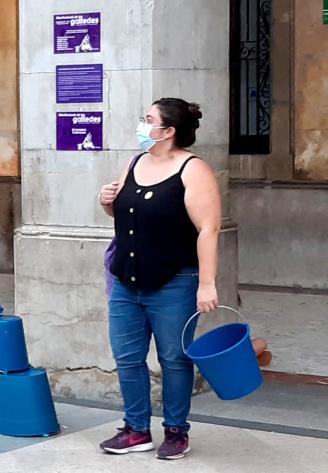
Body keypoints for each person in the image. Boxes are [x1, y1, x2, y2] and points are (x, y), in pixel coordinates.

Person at [97, 98, 221, 460]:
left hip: (175, 282)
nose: (141, 124)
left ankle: (176, 431)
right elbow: (123, 213)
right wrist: (106, 201)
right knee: (127, 358)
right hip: (126, 281)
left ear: (168, 131)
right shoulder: (136, 163)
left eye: (147, 119)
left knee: (174, 358)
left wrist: (207, 283)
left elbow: (208, 228)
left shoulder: (193, 170)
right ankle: (136, 429)